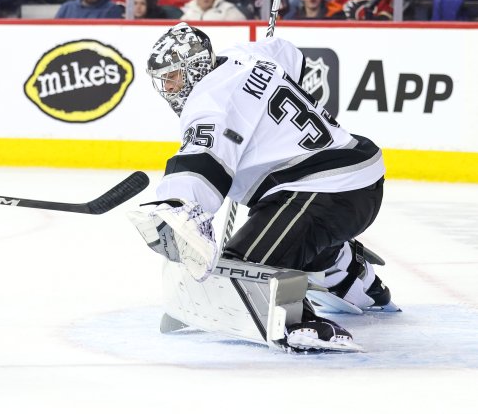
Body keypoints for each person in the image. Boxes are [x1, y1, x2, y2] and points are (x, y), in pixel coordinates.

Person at [131, 21, 395, 352]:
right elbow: (292, 56)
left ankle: (301, 322)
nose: (169, 88)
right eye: (164, 80)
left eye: (174, 77)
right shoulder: (246, 54)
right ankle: (352, 276)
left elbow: (201, 159)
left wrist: (177, 206)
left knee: (243, 270)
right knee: (287, 232)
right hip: (352, 176)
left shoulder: (209, 100)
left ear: (196, 66)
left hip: (323, 189)